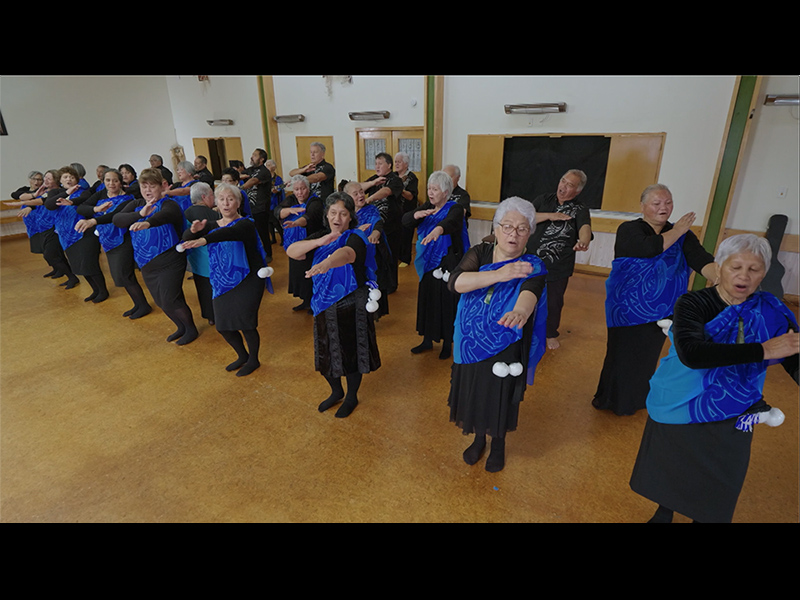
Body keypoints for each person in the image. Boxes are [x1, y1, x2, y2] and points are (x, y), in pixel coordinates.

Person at [629, 234, 799, 523]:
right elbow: (692, 354)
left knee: (722, 471)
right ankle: (664, 511)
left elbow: (794, 354)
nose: (744, 276)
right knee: (672, 463)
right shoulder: (693, 303)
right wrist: (764, 349)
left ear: (764, 273)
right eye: (736, 267)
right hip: (682, 398)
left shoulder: (769, 310)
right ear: (719, 267)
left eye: (754, 269)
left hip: (733, 405)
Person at [592, 183, 718, 416]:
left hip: (663, 308)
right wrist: (678, 231)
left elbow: (700, 259)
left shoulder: (682, 234)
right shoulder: (629, 229)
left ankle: (638, 398)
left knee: (647, 356)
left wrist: (720, 277)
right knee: (622, 354)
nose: (664, 207)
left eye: (668, 202)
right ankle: (611, 399)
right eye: (657, 203)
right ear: (643, 206)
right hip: (627, 308)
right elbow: (647, 249)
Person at [448, 197, 548, 472]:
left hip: (506, 339)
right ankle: (479, 437)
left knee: (499, 392)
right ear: (497, 227)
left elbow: (530, 292)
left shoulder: (532, 264)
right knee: (474, 387)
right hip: (469, 339)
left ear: (529, 233)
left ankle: (499, 443)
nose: (513, 234)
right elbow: (456, 282)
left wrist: (521, 312)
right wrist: (500, 274)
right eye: (507, 226)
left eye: (522, 229)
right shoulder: (481, 253)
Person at [286, 191, 381, 418]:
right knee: (326, 352)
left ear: (350, 217)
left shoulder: (355, 236)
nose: (337, 218)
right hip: (322, 303)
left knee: (351, 353)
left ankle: (351, 396)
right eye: (333, 213)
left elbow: (347, 254)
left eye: (343, 213)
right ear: (327, 215)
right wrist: (319, 241)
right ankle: (336, 391)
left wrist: (328, 262)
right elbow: (292, 251)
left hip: (351, 301)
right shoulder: (321, 236)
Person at [181, 182, 270, 377]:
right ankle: (242, 355)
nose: (226, 203)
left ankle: (253, 360)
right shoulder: (210, 224)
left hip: (249, 279)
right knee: (223, 326)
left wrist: (204, 239)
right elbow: (187, 237)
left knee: (246, 322)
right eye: (222, 199)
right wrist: (194, 231)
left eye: (231, 199)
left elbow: (230, 232)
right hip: (222, 280)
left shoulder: (246, 223)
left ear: (238, 202)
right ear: (216, 203)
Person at [113, 168, 198, 346]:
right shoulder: (137, 204)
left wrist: (147, 222)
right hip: (146, 263)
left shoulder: (169, 204)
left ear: (162, 187)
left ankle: (191, 329)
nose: (148, 190)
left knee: (169, 298)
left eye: (152, 186)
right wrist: (140, 214)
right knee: (161, 301)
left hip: (170, 259)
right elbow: (117, 219)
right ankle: (180, 327)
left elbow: (165, 215)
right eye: (144, 186)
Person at [402, 170, 470, 360]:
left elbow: (452, 222)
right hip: (428, 262)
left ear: (446, 192)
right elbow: (405, 221)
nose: (431, 193)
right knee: (427, 297)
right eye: (429, 188)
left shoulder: (454, 207)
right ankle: (427, 340)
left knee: (446, 300)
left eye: (435, 189)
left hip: (448, 261)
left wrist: (438, 229)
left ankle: (447, 342)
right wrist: (416, 215)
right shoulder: (427, 207)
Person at [526, 169, 593, 350]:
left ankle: (550, 333)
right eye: (563, 181)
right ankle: (524, 327)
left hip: (558, 265)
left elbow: (585, 228)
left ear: (577, 191)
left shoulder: (580, 208)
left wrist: (583, 241)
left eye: (569, 185)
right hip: (531, 260)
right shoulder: (543, 199)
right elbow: (527, 217)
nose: (563, 186)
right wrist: (550, 215)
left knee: (553, 301)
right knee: (526, 294)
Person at [75, 168, 151, 319]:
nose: (111, 183)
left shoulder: (128, 198)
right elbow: (81, 208)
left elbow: (113, 216)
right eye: (108, 180)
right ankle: (138, 304)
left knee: (126, 275)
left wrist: (93, 220)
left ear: (120, 182)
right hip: (107, 240)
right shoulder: (101, 194)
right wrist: (95, 208)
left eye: (115, 180)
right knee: (122, 276)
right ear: (103, 182)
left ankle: (143, 305)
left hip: (123, 240)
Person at [44, 165, 109, 302]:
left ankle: (103, 291)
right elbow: (49, 204)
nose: (69, 179)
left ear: (77, 179)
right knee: (79, 265)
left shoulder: (83, 191)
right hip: (66, 236)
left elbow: (83, 201)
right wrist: (66, 192)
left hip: (85, 233)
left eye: (72, 177)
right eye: (66, 177)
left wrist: (71, 200)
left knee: (90, 263)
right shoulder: (55, 193)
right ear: (60, 180)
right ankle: (95, 290)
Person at [8, 170, 77, 284]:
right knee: (54, 254)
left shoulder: (59, 192)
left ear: (56, 180)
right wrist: (31, 202)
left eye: (47, 179)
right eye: (44, 178)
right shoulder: (44, 192)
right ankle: (62, 272)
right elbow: (36, 199)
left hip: (54, 227)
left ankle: (72, 277)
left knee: (50, 254)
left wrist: (30, 207)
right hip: (42, 227)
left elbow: (45, 202)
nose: (44, 181)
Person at [345, 180, 394, 319]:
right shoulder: (346, 213)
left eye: (361, 191)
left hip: (372, 251)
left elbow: (377, 222)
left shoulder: (371, 209)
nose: (360, 195)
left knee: (374, 280)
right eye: (356, 193)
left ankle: (374, 313)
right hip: (354, 253)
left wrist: (374, 234)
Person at [276, 174, 324, 312]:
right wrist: (289, 210)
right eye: (296, 189)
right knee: (298, 272)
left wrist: (296, 222)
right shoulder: (291, 199)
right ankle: (305, 300)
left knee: (310, 271)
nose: (299, 192)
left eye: (302, 189)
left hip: (311, 240)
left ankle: (313, 301)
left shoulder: (315, 202)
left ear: (308, 188)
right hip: (294, 244)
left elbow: (309, 217)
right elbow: (277, 211)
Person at [362, 152, 404, 292]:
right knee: (377, 255)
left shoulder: (395, 179)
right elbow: (358, 188)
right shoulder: (375, 179)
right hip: (375, 226)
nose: (377, 166)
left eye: (380, 163)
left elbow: (386, 191)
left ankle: (391, 285)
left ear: (389, 165)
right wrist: (372, 183)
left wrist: (370, 199)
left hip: (392, 225)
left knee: (391, 255)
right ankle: (378, 282)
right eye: (376, 163)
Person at [184, 182, 218, 325]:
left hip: (196, 260)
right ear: (204, 197)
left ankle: (210, 316)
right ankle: (219, 314)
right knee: (216, 288)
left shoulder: (186, 213)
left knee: (202, 288)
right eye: (212, 195)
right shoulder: (214, 214)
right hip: (213, 258)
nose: (214, 198)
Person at [241, 148, 273, 261]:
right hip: (249, 207)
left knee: (262, 232)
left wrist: (240, 188)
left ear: (261, 159)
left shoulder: (264, 171)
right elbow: (240, 175)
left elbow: (253, 181)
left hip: (261, 207)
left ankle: (268, 254)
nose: (251, 157)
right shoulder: (249, 170)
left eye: (254, 155)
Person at [395, 152, 418, 267]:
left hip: (407, 211)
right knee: (396, 234)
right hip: (394, 211)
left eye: (399, 161)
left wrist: (400, 189)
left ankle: (405, 259)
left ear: (406, 164)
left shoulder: (412, 178)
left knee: (406, 235)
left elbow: (410, 196)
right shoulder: (393, 176)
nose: (396, 164)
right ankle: (397, 256)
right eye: (395, 162)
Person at [266, 159, 285, 245]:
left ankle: (283, 238)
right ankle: (273, 238)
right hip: (267, 203)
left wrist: (277, 190)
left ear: (274, 167)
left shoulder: (278, 178)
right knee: (269, 222)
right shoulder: (265, 178)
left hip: (275, 202)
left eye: (269, 165)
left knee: (276, 222)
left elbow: (280, 188)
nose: (267, 167)